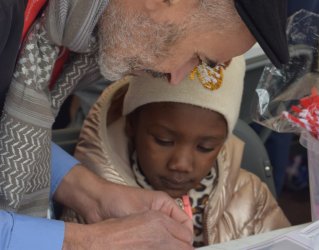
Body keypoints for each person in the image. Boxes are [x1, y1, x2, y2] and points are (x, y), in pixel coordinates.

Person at [0, 0, 290, 249]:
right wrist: (88, 241)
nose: (177, 78)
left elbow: (12, 137)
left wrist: (92, 193)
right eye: (198, 58)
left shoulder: (58, 30)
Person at [61, 56, 290, 248]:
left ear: (223, 143)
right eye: (164, 140)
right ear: (132, 125)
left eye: (205, 147)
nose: (181, 163)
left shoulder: (251, 197)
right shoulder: (91, 202)